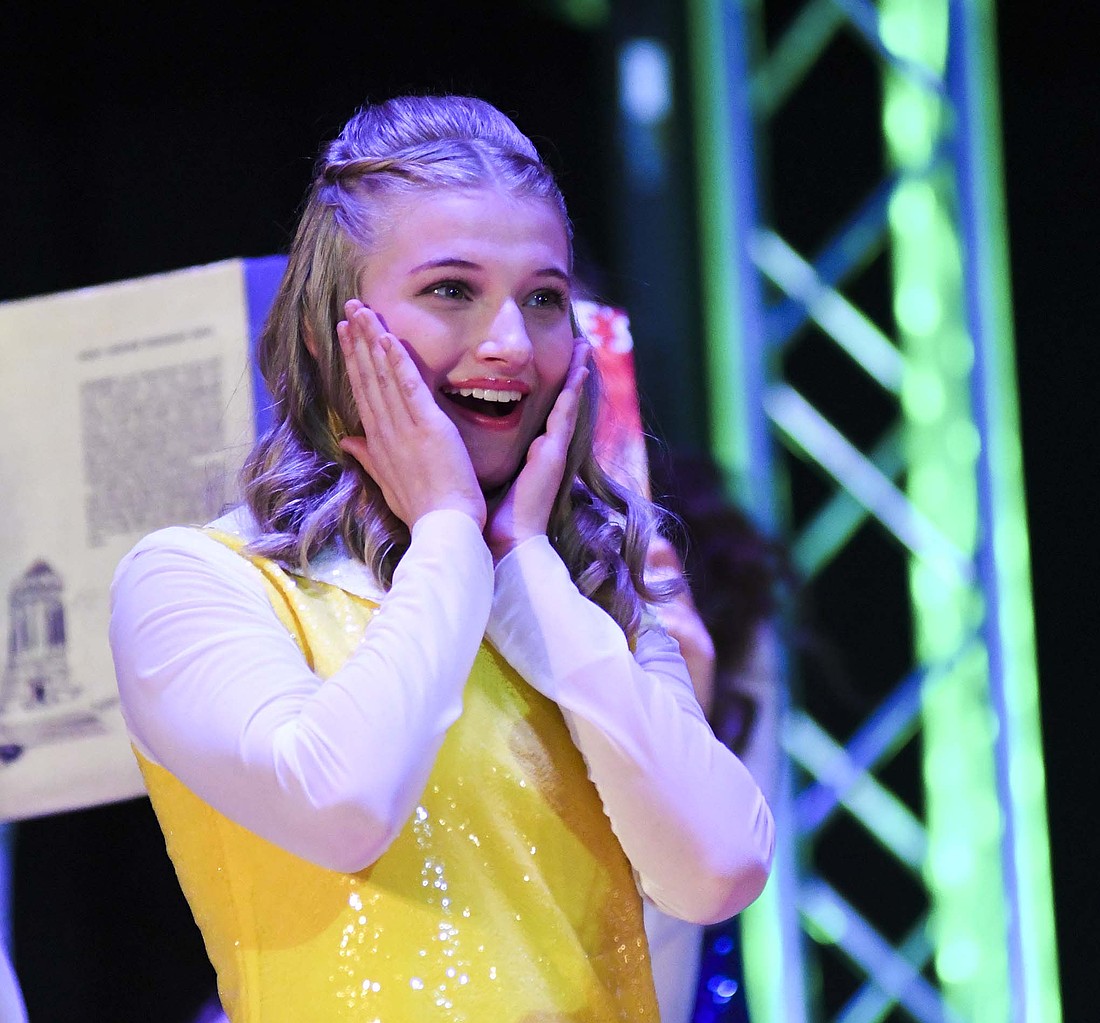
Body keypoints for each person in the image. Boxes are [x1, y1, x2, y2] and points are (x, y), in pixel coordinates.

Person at [108, 94, 775, 1022]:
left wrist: (526, 569)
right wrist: (451, 533)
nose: (508, 344)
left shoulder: (590, 599)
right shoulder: (199, 579)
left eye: (544, 298)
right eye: (451, 291)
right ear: (324, 327)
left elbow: (718, 870)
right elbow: (344, 802)